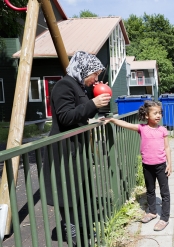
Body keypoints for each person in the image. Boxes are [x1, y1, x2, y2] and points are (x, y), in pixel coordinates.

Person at [43, 51, 112, 246]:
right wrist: (92, 104)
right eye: (95, 74)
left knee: (81, 191)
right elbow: (65, 117)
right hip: (64, 150)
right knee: (68, 194)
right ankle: (74, 236)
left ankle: (83, 232)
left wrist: (95, 116)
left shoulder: (78, 86)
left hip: (76, 149)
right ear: (84, 70)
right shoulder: (64, 85)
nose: (96, 79)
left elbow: (80, 114)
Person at [104, 100, 172, 231]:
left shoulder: (163, 130)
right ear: (147, 115)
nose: (158, 115)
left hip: (161, 166)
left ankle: (164, 218)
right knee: (150, 190)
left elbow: (167, 148)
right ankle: (152, 212)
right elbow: (126, 124)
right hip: (147, 165)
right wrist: (112, 120)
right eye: (155, 113)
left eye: (160, 113)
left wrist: (170, 164)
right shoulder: (142, 128)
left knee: (165, 192)